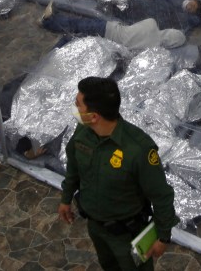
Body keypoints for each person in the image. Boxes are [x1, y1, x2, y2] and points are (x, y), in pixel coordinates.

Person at [58, 77, 179, 270]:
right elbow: (74, 167)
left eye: (78, 105)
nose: (75, 109)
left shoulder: (138, 149)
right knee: (108, 266)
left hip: (127, 235)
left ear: (94, 116)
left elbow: (161, 196)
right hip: (95, 226)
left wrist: (163, 237)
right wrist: (66, 198)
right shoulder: (83, 132)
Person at [40, 2, 187, 50]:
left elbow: (136, 26)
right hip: (109, 44)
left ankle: (48, 22)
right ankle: (59, 42)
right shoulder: (152, 50)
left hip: (109, 29)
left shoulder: (152, 24)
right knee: (80, 38)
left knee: (78, 25)